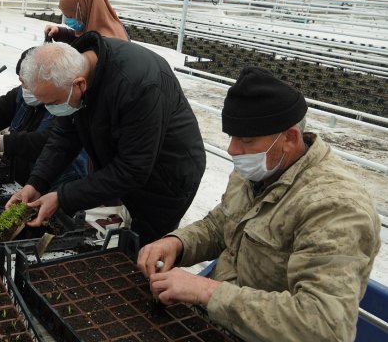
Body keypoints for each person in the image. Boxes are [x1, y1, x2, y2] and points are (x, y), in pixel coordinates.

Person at [137, 67, 381, 342]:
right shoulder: (259, 168)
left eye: (246, 140)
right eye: (231, 137)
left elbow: (324, 325)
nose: (232, 150)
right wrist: (177, 243)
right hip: (219, 322)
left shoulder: (335, 208)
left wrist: (207, 292)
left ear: (289, 138)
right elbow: (222, 225)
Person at [6, 34, 206, 246]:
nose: (50, 109)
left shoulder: (138, 86)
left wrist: (62, 197)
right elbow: (64, 136)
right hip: (133, 163)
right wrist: (36, 183)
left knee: (148, 247)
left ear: (80, 84)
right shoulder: (74, 70)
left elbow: (132, 169)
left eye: (53, 102)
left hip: (168, 177)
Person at [0, 48, 87, 186]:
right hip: (23, 180)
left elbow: (49, 141)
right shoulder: (21, 93)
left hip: (56, 184)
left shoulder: (66, 103)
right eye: (22, 81)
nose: (24, 88)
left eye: (28, 84)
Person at [44, 0, 127, 43]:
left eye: (70, 16)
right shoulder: (107, 25)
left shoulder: (104, 44)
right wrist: (59, 32)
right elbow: (82, 37)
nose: (66, 21)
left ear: (83, 11)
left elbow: (85, 45)